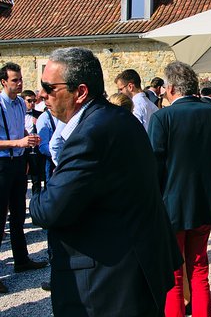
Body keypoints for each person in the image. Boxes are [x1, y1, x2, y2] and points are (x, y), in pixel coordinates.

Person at [29, 47, 182, 316]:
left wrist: (37, 198)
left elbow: (49, 209)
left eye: (49, 87)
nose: (41, 94)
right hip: (133, 267)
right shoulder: (117, 117)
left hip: (108, 285)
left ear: (81, 92)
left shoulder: (91, 133)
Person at [148, 61, 211, 317]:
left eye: (165, 87)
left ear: (172, 87)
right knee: (199, 269)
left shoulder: (162, 117)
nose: (163, 91)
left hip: (171, 204)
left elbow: (154, 166)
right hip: (205, 200)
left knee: (174, 275)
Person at [0, 62, 47, 294]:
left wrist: (28, 141)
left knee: (19, 213)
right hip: (1, 164)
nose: (20, 84)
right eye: (15, 80)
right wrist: (17, 143)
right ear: (3, 82)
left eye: (20, 79)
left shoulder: (20, 104)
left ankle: (21, 260)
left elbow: (21, 131)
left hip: (18, 162)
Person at [21, 89, 43, 194]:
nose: (32, 103)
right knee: (21, 177)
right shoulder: (18, 114)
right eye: (29, 101)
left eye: (34, 101)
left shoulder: (39, 115)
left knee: (36, 177)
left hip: (35, 148)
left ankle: (36, 202)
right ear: (23, 101)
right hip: (22, 148)